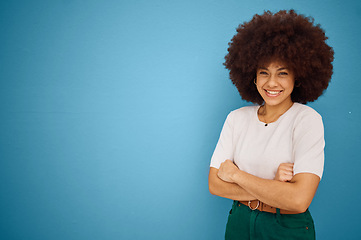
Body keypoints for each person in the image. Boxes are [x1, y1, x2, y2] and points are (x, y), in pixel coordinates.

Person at [208, 10, 334, 239]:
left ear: (297, 77)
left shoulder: (307, 119)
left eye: (282, 73)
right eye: (264, 72)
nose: (272, 82)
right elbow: (215, 185)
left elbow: (298, 200)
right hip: (239, 222)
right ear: (253, 77)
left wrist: (236, 175)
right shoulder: (236, 118)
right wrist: (276, 187)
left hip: (284, 226)